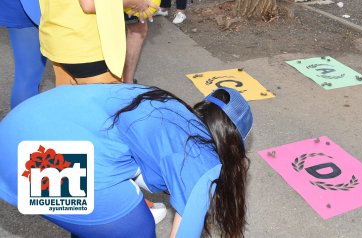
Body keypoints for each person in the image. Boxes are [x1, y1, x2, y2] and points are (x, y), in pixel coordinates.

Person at [0, 84, 252, 238]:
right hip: (44, 161)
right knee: (137, 228)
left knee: (97, 219)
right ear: (233, 147)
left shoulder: (164, 104)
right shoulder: (205, 165)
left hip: (14, 134)